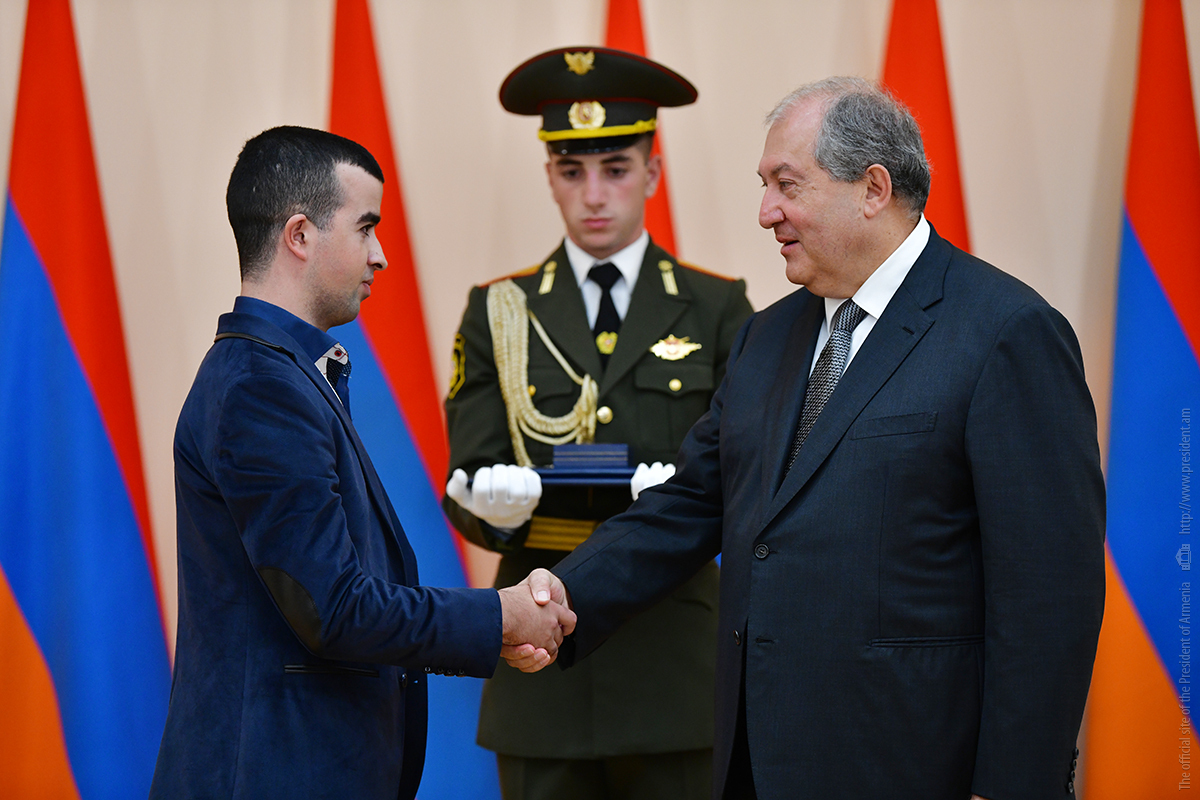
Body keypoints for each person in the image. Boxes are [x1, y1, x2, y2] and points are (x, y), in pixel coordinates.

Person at [525, 77, 1106, 800]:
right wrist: (559, 595)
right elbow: (692, 502)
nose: (765, 211)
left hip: (916, 766)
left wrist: (1014, 785)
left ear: (873, 188)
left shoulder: (1005, 332)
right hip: (759, 762)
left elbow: (1048, 595)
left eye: (787, 185)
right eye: (764, 186)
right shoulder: (765, 337)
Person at [150, 126, 574, 800]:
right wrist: (500, 617)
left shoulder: (281, 374)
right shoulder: (263, 387)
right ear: (299, 235)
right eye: (366, 227)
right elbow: (335, 608)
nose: (380, 255)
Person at [442, 48, 753, 800]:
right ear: (549, 176)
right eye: (571, 170)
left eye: (616, 168)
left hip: (674, 660)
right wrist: (494, 514)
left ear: (653, 171)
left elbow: (744, 478)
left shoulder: (717, 309)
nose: (593, 195)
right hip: (539, 659)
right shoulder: (499, 311)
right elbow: (471, 480)